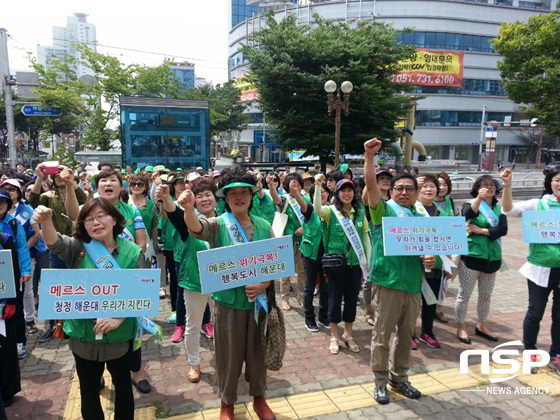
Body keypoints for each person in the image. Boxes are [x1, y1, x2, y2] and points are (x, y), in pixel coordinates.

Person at [33, 198, 143, 420]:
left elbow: (141, 292)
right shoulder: (78, 248)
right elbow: (55, 243)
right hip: (83, 335)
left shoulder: (133, 252)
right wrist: (46, 222)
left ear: (114, 219)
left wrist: (119, 318)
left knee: (123, 386)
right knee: (88, 390)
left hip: (119, 337)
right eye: (89, 219)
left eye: (101, 216)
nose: (95, 222)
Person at [181, 168, 276, 420]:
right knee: (228, 358)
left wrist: (264, 284)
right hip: (227, 305)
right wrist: (190, 209)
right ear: (224, 198)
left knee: (257, 356)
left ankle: (259, 398)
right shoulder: (218, 225)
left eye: (243, 192)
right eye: (232, 193)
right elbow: (196, 229)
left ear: (251, 195)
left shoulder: (265, 226)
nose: (238, 197)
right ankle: (227, 403)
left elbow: (275, 263)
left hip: (258, 304)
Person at [363, 138, 436, 405]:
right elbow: (371, 186)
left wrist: (431, 261)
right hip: (389, 283)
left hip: (414, 285)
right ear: (390, 192)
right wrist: (369, 158)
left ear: (416, 193)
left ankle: (400, 377)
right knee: (382, 336)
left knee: (406, 336)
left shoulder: (421, 220)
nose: (404, 193)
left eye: (409, 189)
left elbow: (432, 255)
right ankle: (380, 381)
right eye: (399, 188)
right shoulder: (382, 213)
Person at [156, 177, 218, 383]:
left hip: (223, 282)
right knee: (193, 325)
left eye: (208, 194)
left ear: (216, 197)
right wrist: (166, 198)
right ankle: (194, 364)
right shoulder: (189, 222)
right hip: (194, 283)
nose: (205, 199)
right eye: (199, 196)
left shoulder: (227, 221)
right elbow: (174, 214)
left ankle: (224, 358)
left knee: (223, 323)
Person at [501, 167, 560, 374]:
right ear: (550, 183)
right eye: (557, 180)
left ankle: (557, 354)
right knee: (535, 313)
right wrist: (507, 186)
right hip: (540, 269)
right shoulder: (539, 204)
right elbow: (508, 210)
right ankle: (530, 353)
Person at [29, 162, 88, 342]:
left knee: (80, 284)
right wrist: (39, 177)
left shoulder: (76, 192)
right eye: (55, 175)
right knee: (55, 285)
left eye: (62, 174)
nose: (59, 177)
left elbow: (83, 200)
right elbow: (33, 200)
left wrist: (71, 181)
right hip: (56, 245)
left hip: (79, 245)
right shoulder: (49, 196)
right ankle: (53, 325)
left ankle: (79, 321)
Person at [314, 175, 370, 354]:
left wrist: (368, 263)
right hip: (336, 265)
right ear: (337, 193)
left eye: (350, 190)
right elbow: (316, 209)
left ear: (355, 193)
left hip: (355, 265)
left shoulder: (361, 213)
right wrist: (317, 186)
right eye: (343, 190)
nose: (347, 193)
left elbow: (366, 238)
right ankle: (334, 336)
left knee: (352, 300)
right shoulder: (331, 212)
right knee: (334, 300)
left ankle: (348, 334)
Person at [455, 175, 508, 344]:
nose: (489, 187)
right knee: (464, 295)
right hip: (471, 257)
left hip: (492, 259)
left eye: (492, 185)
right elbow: (468, 215)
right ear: (477, 188)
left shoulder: (499, 210)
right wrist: (479, 198)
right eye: (484, 185)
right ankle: (461, 326)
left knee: (485, 296)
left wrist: (480, 230)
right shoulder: (469, 204)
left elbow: (502, 230)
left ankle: (481, 325)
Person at [0, 179, 48, 337]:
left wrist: (18, 258)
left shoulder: (25, 211)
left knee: (25, 293)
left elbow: (34, 235)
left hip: (23, 259)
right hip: (4, 263)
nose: (9, 191)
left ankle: (28, 321)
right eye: (5, 189)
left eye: (12, 189)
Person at [413, 174, 451, 349]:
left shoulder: (442, 212)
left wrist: (448, 264)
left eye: (432, 186)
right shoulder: (411, 211)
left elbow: (449, 241)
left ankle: (427, 331)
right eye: (424, 186)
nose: (428, 190)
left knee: (430, 301)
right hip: (414, 266)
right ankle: (408, 333)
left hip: (435, 264)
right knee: (412, 303)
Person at [267, 173, 309, 311]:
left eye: (297, 183)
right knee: (285, 272)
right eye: (292, 183)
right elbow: (275, 198)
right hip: (287, 240)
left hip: (303, 241)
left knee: (302, 272)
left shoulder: (306, 198)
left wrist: (304, 228)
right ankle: (285, 299)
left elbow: (312, 218)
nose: (295, 186)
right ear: (287, 185)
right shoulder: (285, 200)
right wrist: (271, 186)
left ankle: (301, 296)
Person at [0, 190, 32, 359]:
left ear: (7, 205)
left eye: (2, 203)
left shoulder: (13, 223)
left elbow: (22, 247)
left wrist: (26, 270)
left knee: (15, 309)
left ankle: (19, 342)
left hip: (12, 273)